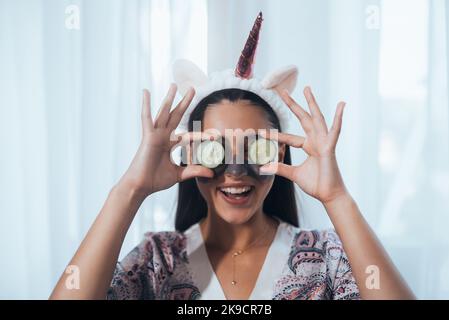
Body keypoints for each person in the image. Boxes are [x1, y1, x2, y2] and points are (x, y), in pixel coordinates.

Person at [50, 12, 414, 300]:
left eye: (256, 146)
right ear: (191, 152)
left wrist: (338, 199)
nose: (236, 171)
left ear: (281, 150)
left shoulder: (326, 258)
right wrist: (129, 189)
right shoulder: (157, 260)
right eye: (215, 148)